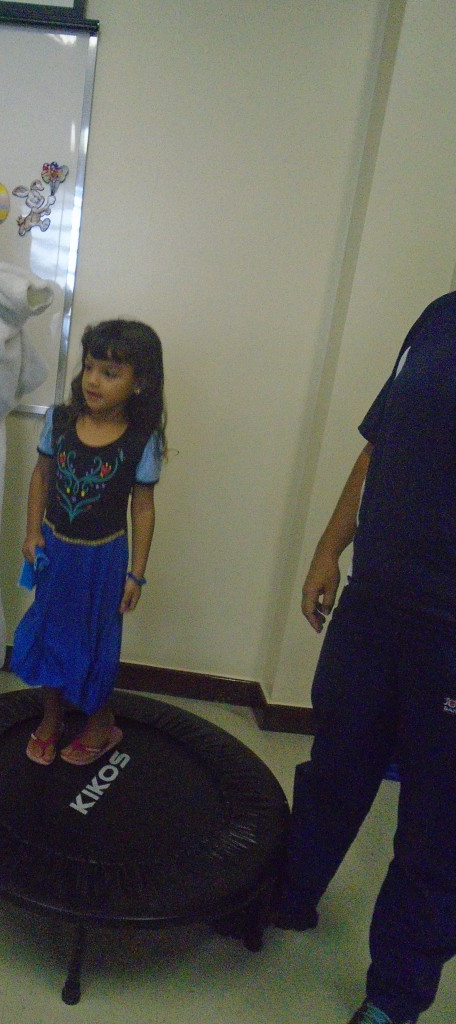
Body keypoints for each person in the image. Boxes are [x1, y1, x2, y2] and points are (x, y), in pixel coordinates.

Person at [272, 292, 456, 1024]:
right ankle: (289, 897)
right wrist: (329, 547)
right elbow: (379, 444)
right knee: (335, 766)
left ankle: (394, 999)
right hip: (375, 605)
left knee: (437, 829)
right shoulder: (440, 317)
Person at [11, 319, 166, 766]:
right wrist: (32, 532)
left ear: (139, 382)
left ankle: (100, 721)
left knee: (95, 641)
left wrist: (137, 574)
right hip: (56, 551)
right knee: (51, 630)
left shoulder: (142, 440)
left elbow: (143, 508)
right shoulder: (59, 421)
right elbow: (42, 476)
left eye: (110, 373)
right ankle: (52, 715)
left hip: (104, 558)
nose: (93, 380)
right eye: (90, 367)